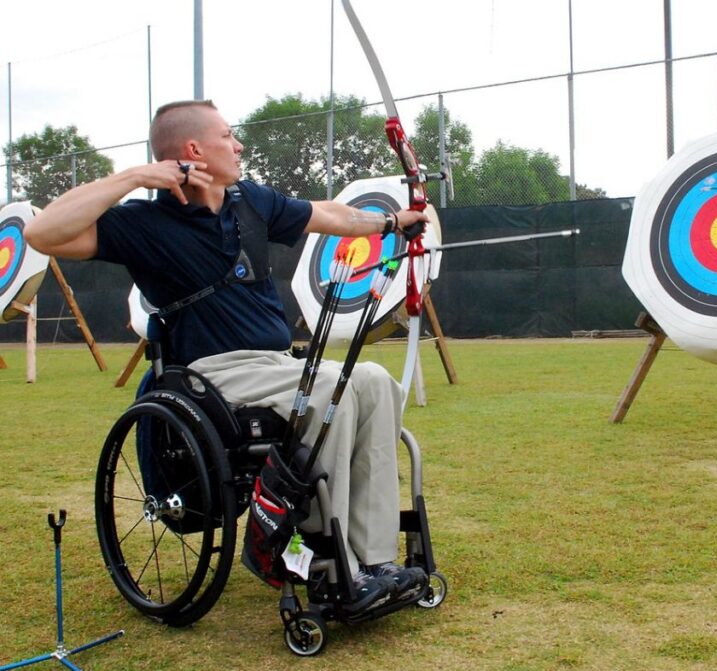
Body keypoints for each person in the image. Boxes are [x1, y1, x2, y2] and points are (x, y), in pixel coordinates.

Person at [25, 99, 427, 611]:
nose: (238, 146)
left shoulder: (249, 202)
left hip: (278, 364)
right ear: (193, 149)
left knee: (373, 380)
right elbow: (41, 233)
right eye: (228, 137)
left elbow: (328, 214)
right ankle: (325, 561)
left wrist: (393, 222)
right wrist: (132, 177)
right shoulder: (142, 224)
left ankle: (373, 561)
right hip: (211, 375)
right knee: (333, 392)